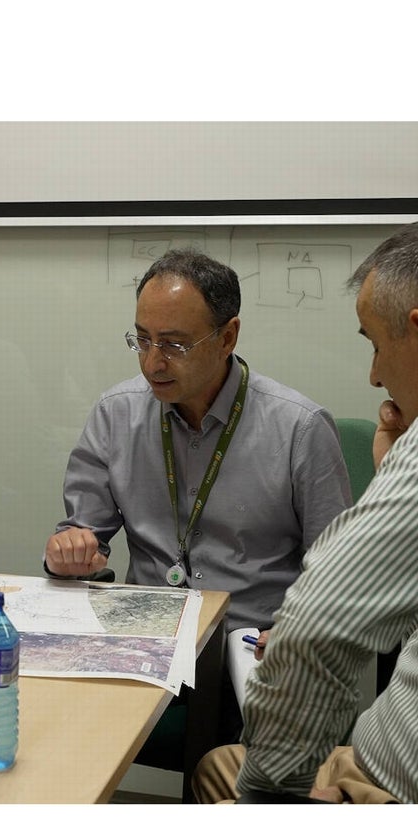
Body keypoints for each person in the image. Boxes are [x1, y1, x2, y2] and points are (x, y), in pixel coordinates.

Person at [192, 223, 418, 804]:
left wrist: (275, 799)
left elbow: (317, 629)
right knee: (221, 761)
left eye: (373, 342)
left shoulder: (297, 421)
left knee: (227, 775)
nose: (374, 374)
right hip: (385, 748)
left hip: (394, 783)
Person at [43, 249, 351, 634]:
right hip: (147, 635)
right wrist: (68, 555)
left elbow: (338, 574)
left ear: (227, 337)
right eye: (142, 340)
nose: (152, 363)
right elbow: (83, 536)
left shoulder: (300, 429)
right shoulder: (115, 414)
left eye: (174, 345)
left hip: (254, 642)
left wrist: (299, 634)